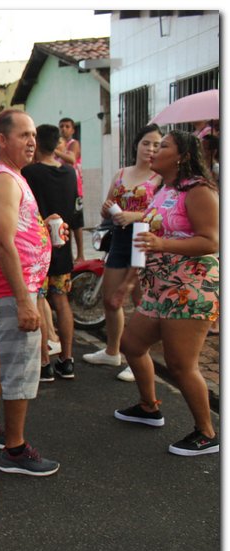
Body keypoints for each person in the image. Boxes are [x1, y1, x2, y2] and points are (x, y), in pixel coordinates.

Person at [114, 130, 220, 456]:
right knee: (131, 343)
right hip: (160, 286)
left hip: (191, 287)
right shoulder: (163, 189)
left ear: (182, 156)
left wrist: (164, 244)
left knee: (180, 363)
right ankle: (149, 407)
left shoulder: (198, 191)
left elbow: (212, 240)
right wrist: (130, 281)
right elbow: (147, 238)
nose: (154, 151)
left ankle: (207, 433)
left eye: (163, 146)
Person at [0, 109, 60, 477]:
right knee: (18, 371)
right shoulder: (3, 180)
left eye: (33, 135)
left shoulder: (13, 177)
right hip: (11, 293)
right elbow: (3, 240)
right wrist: (25, 300)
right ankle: (14, 448)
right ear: (2, 140)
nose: (32, 141)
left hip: (19, 289)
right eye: (23, 135)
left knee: (6, 367)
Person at [83, 124, 162, 381]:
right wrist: (108, 209)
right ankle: (112, 351)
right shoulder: (121, 173)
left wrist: (135, 215)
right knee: (111, 299)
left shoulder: (160, 177)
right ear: (136, 145)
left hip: (144, 240)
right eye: (146, 143)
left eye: (157, 145)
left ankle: (137, 358)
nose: (151, 149)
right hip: (118, 239)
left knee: (140, 303)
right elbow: (107, 208)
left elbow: (162, 213)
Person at [21, 124, 77, 380]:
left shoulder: (29, 172)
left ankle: (45, 363)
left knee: (41, 301)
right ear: (56, 144)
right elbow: (75, 212)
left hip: (38, 248)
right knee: (63, 302)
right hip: (63, 246)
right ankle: (67, 359)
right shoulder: (69, 173)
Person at [55, 117, 85, 261]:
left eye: (67, 126)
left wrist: (53, 150)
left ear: (73, 130)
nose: (64, 129)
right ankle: (71, 254)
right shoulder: (59, 146)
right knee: (67, 221)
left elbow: (71, 159)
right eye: (62, 126)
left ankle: (81, 254)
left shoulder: (73, 144)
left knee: (77, 223)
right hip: (63, 190)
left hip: (76, 189)